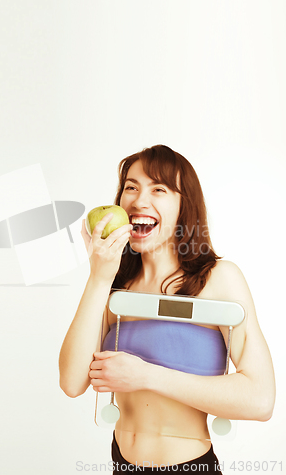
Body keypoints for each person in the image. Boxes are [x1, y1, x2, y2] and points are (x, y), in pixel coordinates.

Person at [59, 145, 275, 473]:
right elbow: (72, 382)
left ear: (183, 205)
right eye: (131, 187)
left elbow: (260, 399)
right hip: (121, 464)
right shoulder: (114, 283)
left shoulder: (218, 279)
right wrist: (99, 277)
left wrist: (146, 375)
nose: (139, 200)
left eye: (158, 189)